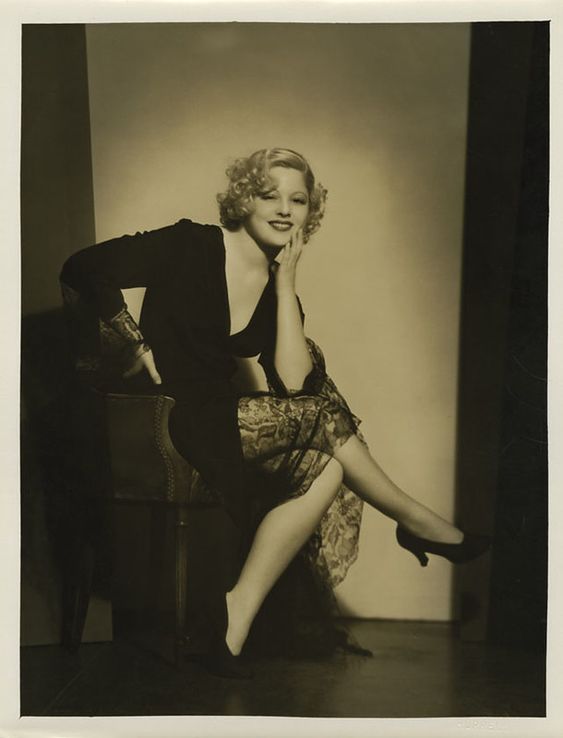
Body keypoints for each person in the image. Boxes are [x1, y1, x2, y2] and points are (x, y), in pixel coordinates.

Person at [60, 147, 490, 678]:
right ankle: (415, 519)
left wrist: (286, 284)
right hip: (166, 416)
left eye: (298, 200)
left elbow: (294, 385)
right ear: (244, 200)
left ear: (311, 211)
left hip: (218, 419)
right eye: (270, 196)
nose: (285, 209)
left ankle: (233, 620)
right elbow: (82, 267)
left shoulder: (276, 285)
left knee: (326, 464)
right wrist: (133, 342)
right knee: (323, 420)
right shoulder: (187, 244)